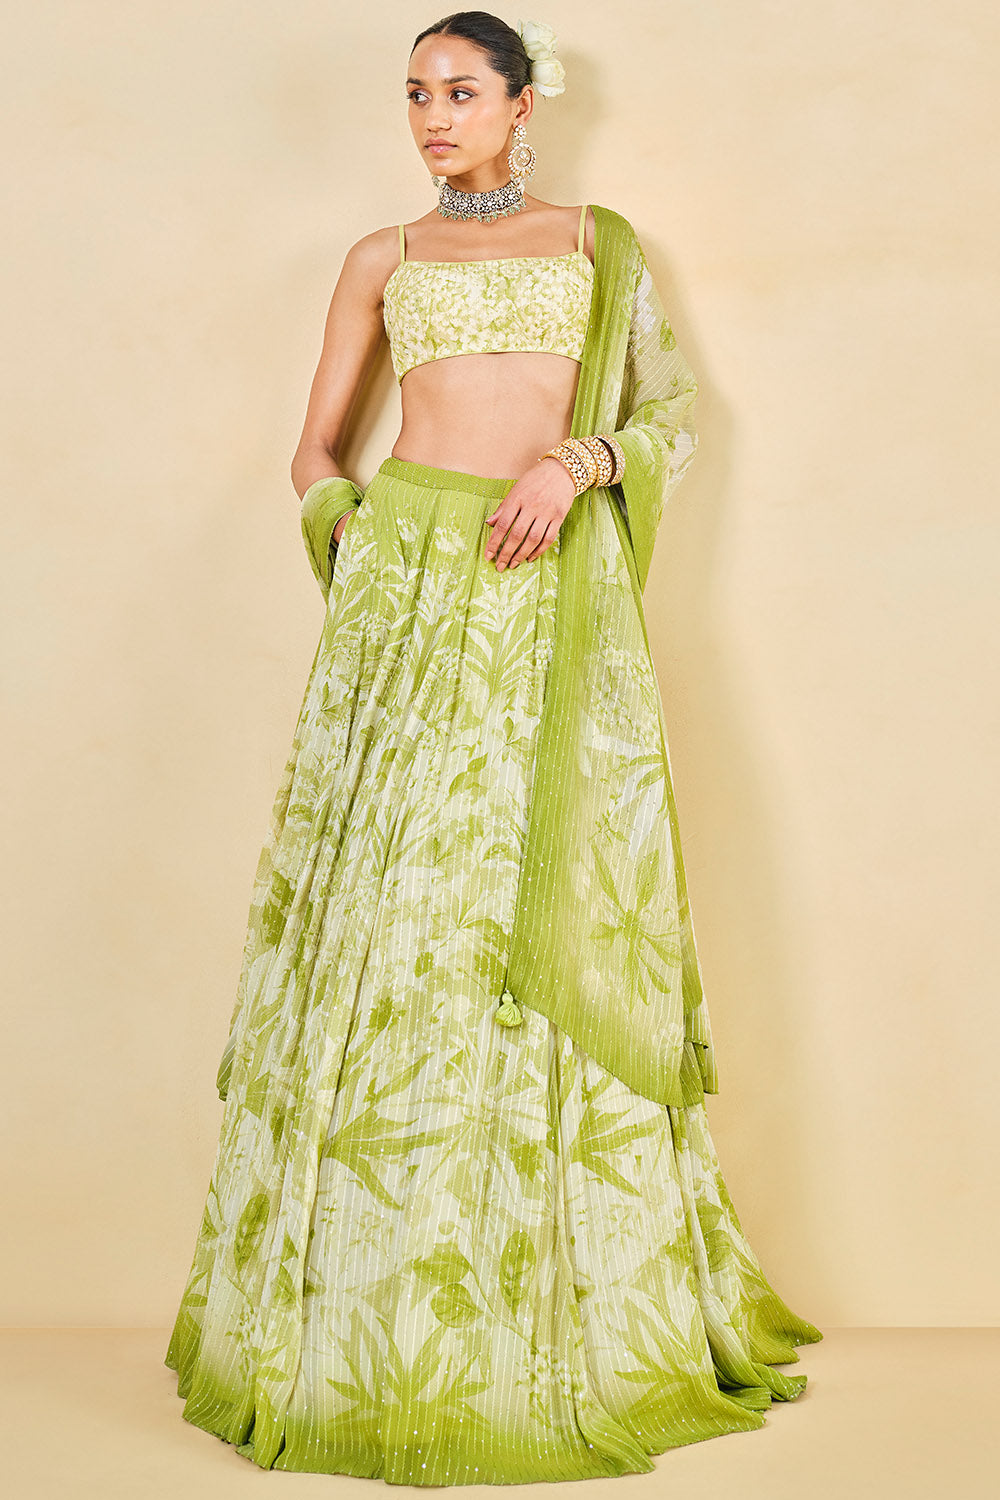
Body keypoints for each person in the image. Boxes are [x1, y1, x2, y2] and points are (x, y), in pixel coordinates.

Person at [164, 12, 823, 1484]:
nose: (433, 117)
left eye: (462, 91)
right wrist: (348, 530)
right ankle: (351, 1305)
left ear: (525, 104)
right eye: (417, 94)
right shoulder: (381, 258)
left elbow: (673, 413)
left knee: (518, 893)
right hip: (404, 596)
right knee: (390, 913)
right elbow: (315, 447)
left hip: (543, 591)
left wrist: (577, 464)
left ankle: (543, 1285)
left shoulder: (599, 247)